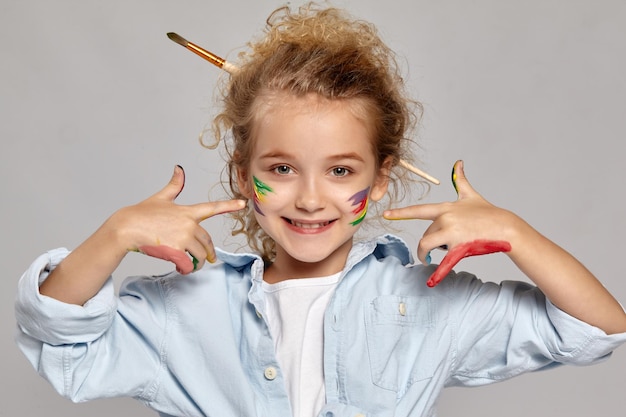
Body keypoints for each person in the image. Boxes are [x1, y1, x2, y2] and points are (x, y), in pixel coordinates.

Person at [15, 3, 626, 417]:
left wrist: (517, 235)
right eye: (281, 169)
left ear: (382, 178)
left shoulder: (429, 304)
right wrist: (114, 235)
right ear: (241, 174)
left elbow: (598, 329)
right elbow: (61, 344)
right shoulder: (186, 308)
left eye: (341, 171)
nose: (310, 198)